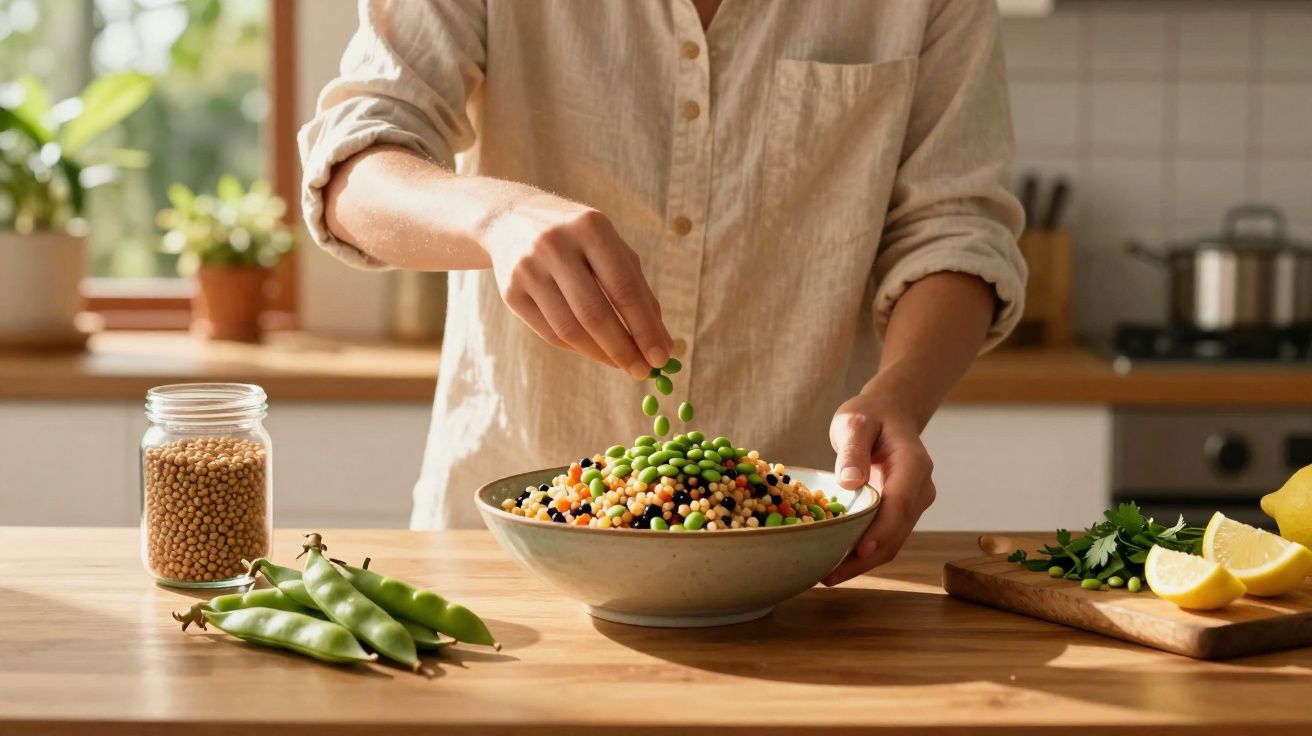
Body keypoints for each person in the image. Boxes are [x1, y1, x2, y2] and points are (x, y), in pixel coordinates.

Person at [300, 0, 1026, 585]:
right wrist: (496, 219)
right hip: (502, 561)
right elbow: (353, 168)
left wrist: (897, 395)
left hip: (795, 557)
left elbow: (956, 228)